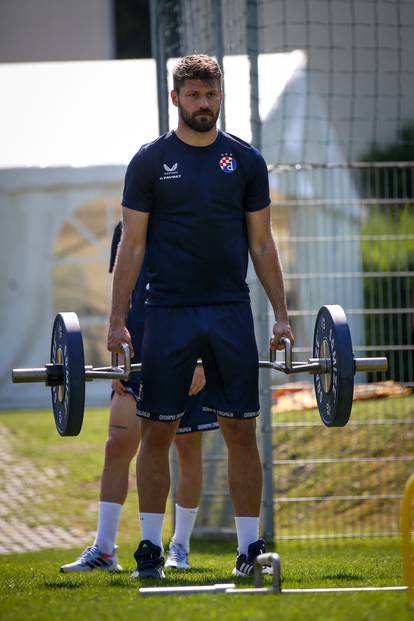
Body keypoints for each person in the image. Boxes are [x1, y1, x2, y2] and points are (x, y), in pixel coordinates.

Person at [107, 54, 294, 580]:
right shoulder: (149, 162)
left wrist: (281, 316)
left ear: (220, 96)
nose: (204, 104)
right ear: (176, 99)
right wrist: (117, 321)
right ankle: (148, 548)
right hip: (166, 311)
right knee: (157, 431)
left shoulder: (246, 162)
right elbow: (132, 247)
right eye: (194, 95)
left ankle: (249, 549)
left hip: (230, 309)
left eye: (211, 94)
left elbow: (261, 241)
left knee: (240, 431)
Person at [60, 222, 219, 574]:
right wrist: (116, 339)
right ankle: (104, 549)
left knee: (188, 449)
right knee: (117, 444)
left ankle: (179, 547)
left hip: (188, 351)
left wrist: (201, 357)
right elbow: (120, 290)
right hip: (137, 354)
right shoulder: (125, 227)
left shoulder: (193, 218)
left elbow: (210, 290)